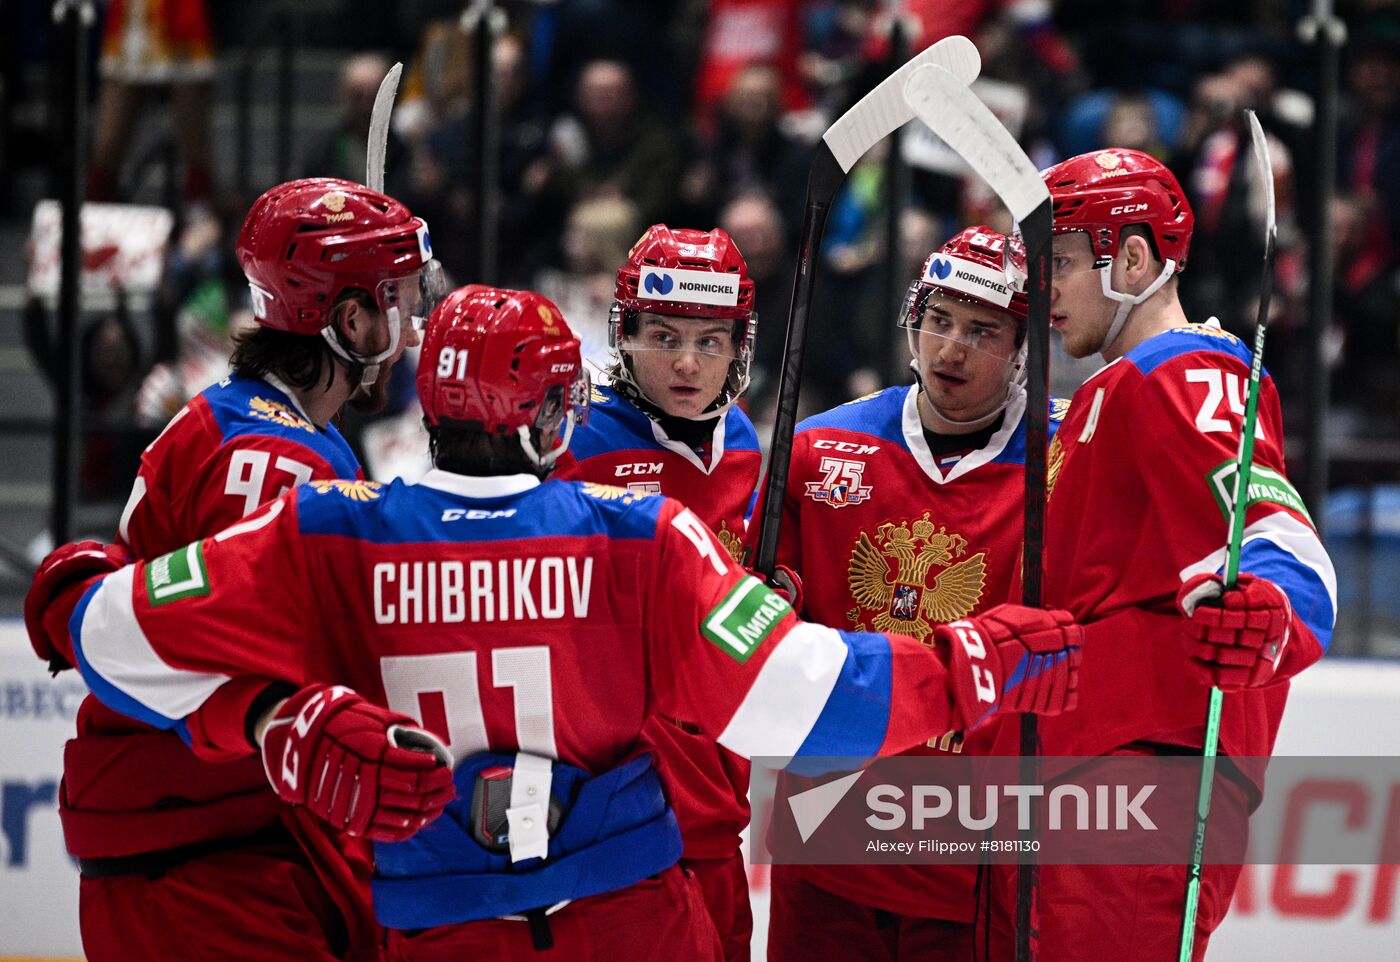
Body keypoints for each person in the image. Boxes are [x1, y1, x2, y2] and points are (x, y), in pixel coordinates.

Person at [26, 285, 1083, 962]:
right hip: (626, 915)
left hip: (438, 923)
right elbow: (806, 700)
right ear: (550, 413)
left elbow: (110, 634)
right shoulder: (638, 535)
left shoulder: (326, 532)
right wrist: (967, 660)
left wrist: (259, 716)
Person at [26, 177, 442, 962]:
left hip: (180, 848)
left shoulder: (221, 412)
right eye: (396, 300)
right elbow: (216, 652)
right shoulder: (284, 459)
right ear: (350, 321)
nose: (410, 325)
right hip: (213, 863)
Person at [986, 147, 1336, 960]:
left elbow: (1271, 530)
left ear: (1134, 258)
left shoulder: (1186, 369)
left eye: (1062, 263)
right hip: (1079, 779)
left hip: (1137, 785)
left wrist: (1273, 606)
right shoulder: (1106, 392)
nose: (1042, 290)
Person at [758, 226, 1064, 961]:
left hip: (974, 851)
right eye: (939, 322)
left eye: (983, 331)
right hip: (827, 834)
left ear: (1023, 345)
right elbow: (766, 610)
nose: (952, 349)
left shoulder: (1063, 457)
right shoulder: (819, 447)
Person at [551, 224, 762, 961]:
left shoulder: (741, 440)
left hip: (718, 795)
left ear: (740, 346)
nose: (686, 363)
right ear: (624, 333)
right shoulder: (572, 441)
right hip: (618, 813)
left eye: (711, 341)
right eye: (664, 336)